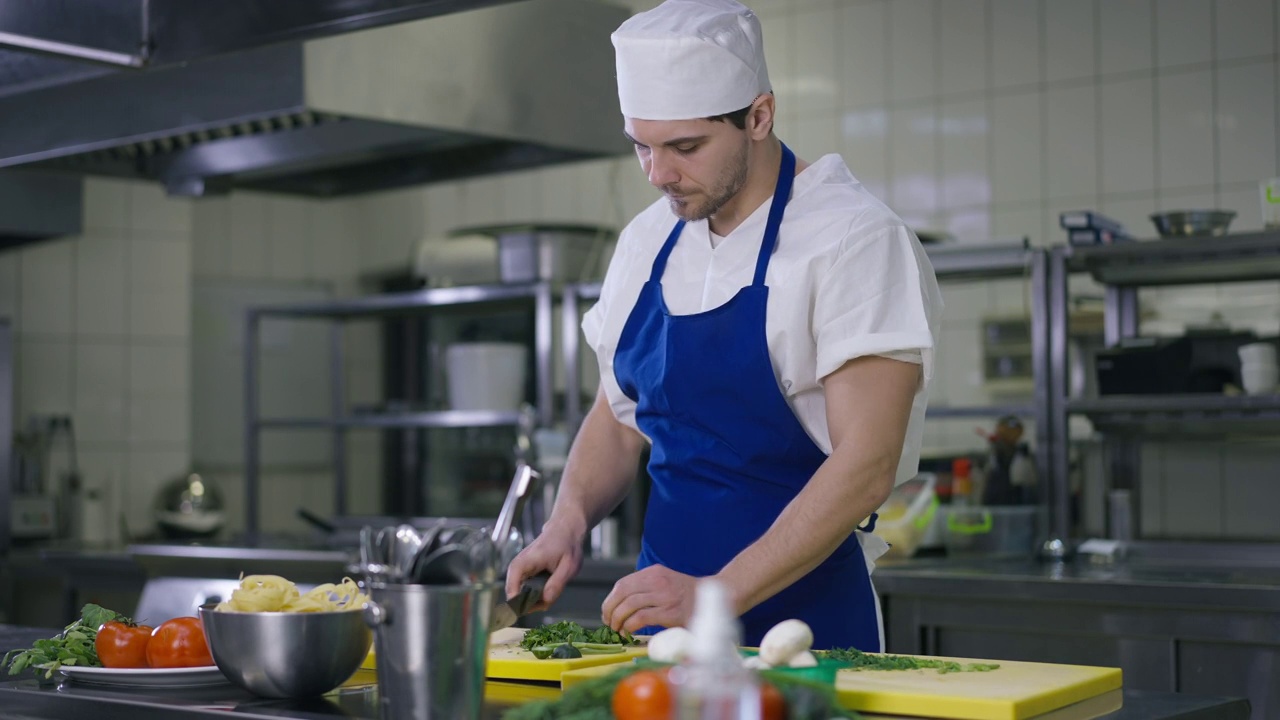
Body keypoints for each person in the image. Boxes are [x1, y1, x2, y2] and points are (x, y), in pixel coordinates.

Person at [505, 0, 943, 651]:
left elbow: (867, 463)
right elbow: (619, 414)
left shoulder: (851, 238)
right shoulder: (648, 239)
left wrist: (716, 594)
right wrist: (566, 524)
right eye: (641, 147)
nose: (659, 175)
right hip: (663, 627)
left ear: (759, 116)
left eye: (685, 147)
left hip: (804, 631)